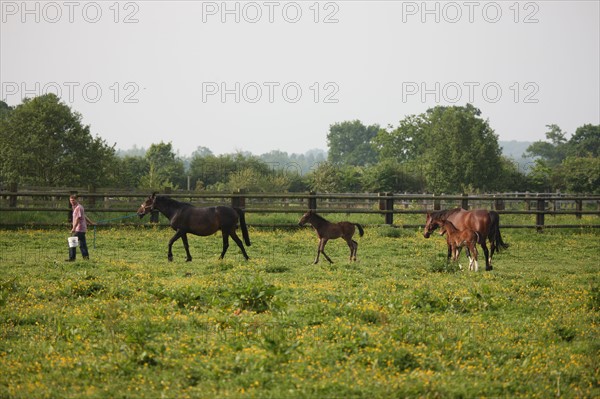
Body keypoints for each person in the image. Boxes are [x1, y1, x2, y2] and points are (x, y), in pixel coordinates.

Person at [67, 194, 95, 261]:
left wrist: (74, 228)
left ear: (76, 200)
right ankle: (86, 258)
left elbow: (78, 218)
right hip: (81, 229)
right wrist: (91, 222)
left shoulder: (79, 207)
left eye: (73, 200)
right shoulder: (75, 207)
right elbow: (84, 216)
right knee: (82, 244)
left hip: (79, 229)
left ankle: (72, 258)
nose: (72, 202)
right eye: (70, 200)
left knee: (72, 242)